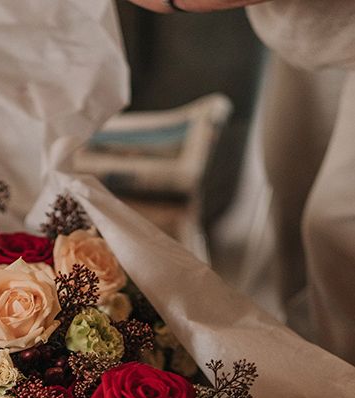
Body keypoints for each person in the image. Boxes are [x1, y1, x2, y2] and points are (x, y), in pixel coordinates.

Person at [127, 0, 355, 366]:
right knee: (291, 190)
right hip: (317, 28)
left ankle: (344, 390)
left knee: (336, 229)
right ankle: (314, 362)